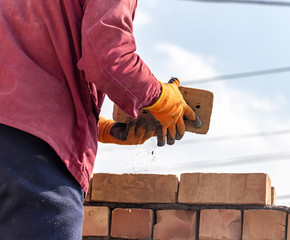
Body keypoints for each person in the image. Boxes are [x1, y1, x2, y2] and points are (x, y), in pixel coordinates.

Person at [0, 0, 201, 239]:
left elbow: (24, 66)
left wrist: (101, 128)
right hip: (36, 159)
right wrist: (161, 99)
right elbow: (108, 58)